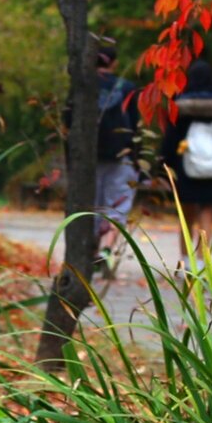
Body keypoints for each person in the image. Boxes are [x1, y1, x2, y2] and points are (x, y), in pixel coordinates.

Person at [157, 59, 212, 236]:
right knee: (207, 208)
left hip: (186, 166)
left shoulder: (180, 106)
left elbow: (171, 140)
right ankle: (205, 257)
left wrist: (164, 165)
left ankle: (186, 257)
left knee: (187, 211)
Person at [91, 41, 146, 270]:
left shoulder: (84, 86)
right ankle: (106, 247)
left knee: (92, 204)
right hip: (120, 154)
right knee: (117, 205)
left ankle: (90, 252)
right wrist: (138, 159)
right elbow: (136, 125)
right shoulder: (127, 88)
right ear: (114, 63)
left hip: (90, 156)